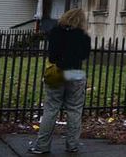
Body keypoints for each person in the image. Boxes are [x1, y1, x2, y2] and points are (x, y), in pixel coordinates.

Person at [30, 8, 91, 154]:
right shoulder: (83, 36)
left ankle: (42, 146)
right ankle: (72, 145)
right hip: (75, 73)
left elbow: (52, 57)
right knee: (75, 110)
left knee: (51, 109)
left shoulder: (56, 32)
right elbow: (84, 56)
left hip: (57, 72)